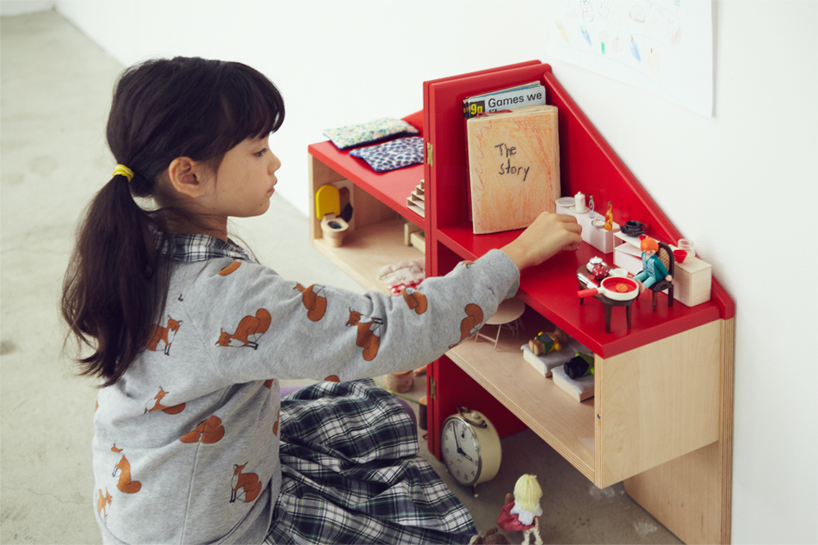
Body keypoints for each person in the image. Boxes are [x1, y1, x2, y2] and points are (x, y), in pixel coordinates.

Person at [61, 57, 582, 545]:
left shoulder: (134, 245)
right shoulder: (227, 295)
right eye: (258, 150)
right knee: (402, 499)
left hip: (152, 497)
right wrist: (512, 257)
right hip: (215, 528)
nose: (275, 161)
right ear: (188, 175)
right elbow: (392, 331)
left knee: (373, 409)